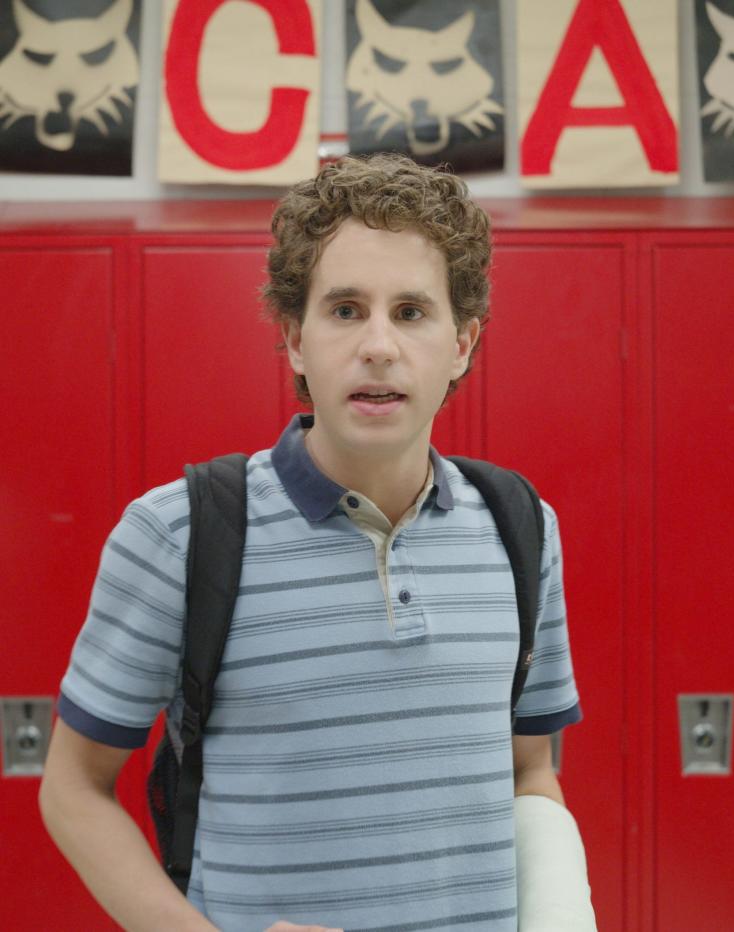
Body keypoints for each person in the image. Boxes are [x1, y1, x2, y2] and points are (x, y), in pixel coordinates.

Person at [38, 153, 596, 932]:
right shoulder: (179, 532)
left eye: (410, 311)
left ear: (463, 343)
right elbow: (72, 787)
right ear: (296, 341)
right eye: (344, 310)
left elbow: (530, 768)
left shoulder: (522, 527)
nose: (377, 345)